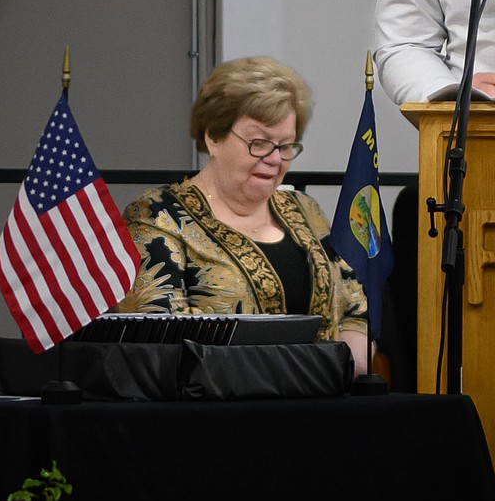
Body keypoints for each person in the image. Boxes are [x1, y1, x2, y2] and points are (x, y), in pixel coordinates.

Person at [115, 57, 369, 375]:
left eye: (286, 146)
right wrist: (305, 370)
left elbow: (355, 311)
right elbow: (159, 341)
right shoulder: (158, 216)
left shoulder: (307, 211)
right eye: (259, 143)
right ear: (214, 137)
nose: (275, 159)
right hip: (216, 414)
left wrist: (346, 370)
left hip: (325, 405)